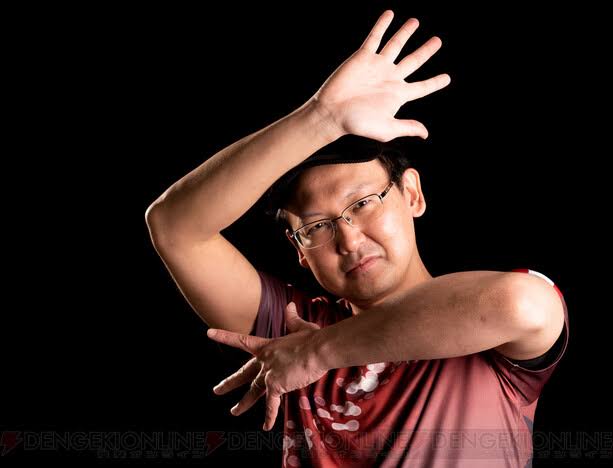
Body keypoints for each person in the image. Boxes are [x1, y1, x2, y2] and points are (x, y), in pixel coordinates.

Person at [145, 10, 568, 467]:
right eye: (316, 227)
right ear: (299, 250)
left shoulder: (481, 334)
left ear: (412, 194)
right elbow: (173, 227)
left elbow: (524, 304)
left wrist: (317, 353)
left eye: (363, 203)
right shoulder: (290, 327)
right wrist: (321, 118)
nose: (347, 239)